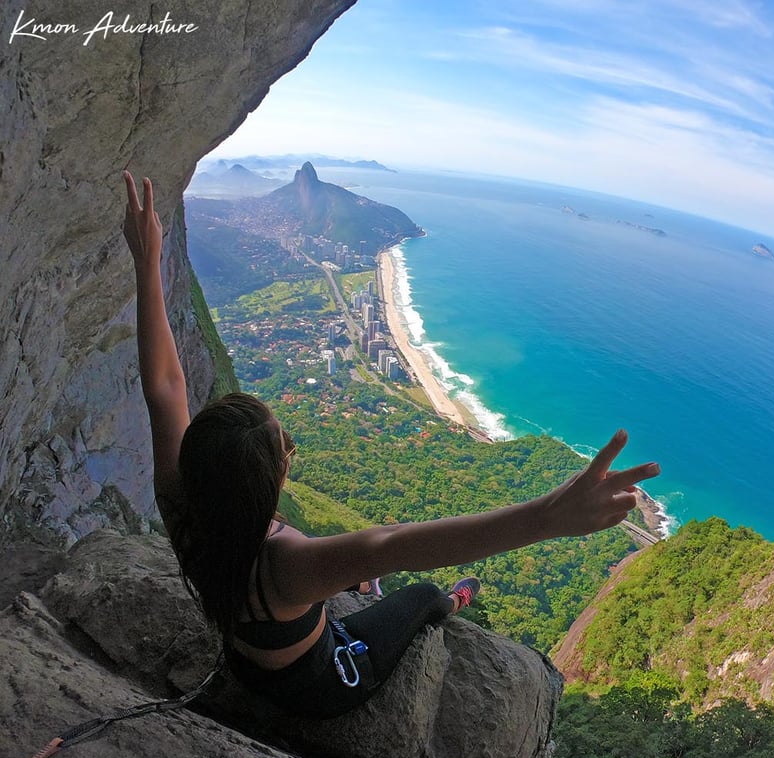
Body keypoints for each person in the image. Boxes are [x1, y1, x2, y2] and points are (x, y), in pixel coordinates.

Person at [123, 171, 660, 718]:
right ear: (265, 484)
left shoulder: (183, 501)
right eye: (280, 444)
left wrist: (147, 265)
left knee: (364, 572)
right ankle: (457, 600)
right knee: (422, 597)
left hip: (247, 659)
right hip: (320, 686)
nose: (290, 444)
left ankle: (365, 585)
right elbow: (401, 544)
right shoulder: (286, 565)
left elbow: (165, 388)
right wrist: (550, 516)